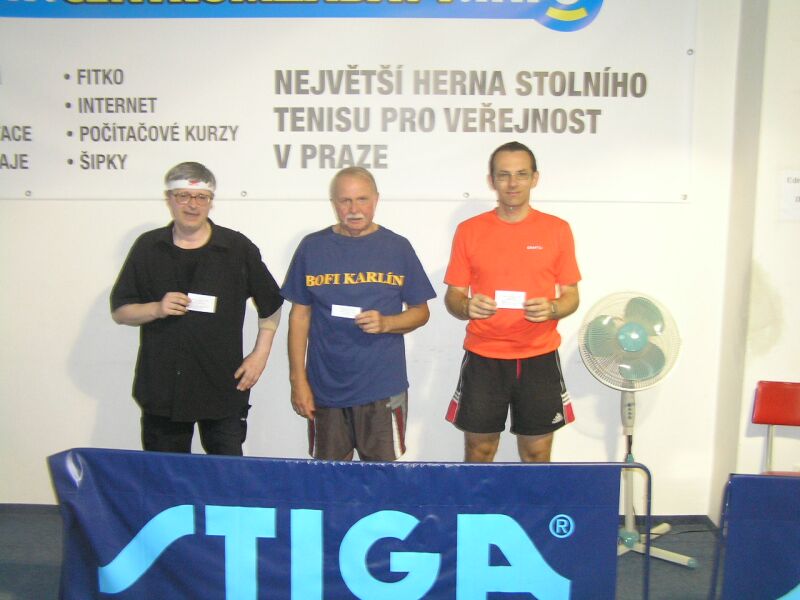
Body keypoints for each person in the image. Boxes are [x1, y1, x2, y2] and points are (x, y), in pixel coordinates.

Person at [110, 162, 283, 455]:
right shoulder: (148, 247)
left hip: (222, 387)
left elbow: (272, 304)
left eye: (201, 197)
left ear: (211, 201)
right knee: (165, 476)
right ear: (169, 199)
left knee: (225, 477)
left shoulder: (236, 248)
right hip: (163, 389)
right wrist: (156, 308)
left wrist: (260, 356)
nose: (192, 205)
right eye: (183, 196)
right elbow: (120, 311)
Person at [281, 166, 435, 461]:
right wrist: (298, 381)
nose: (354, 209)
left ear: (376, 200)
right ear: (334, 203)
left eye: (362, 199)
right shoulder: (312, 247)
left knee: (381, 478)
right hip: (325, 389)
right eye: (345, 201)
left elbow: (421, 312)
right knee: (331, 479)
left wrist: (387, 323)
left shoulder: (397, 248)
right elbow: (299, 316)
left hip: (382, 389)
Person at [444, 141, 581, 463]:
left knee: (536, 453)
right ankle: (479, 500)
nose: (512, 183)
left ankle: (533, 502)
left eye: (521, 174)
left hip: (539, 356)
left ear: (535, 178)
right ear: (491, 180)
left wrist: (553, 308)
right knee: (479, 451)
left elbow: (572, 296)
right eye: (503, 175)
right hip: (484, 356)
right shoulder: (469, 230)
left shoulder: (557, 230)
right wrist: (466, 306)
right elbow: (453, 297)